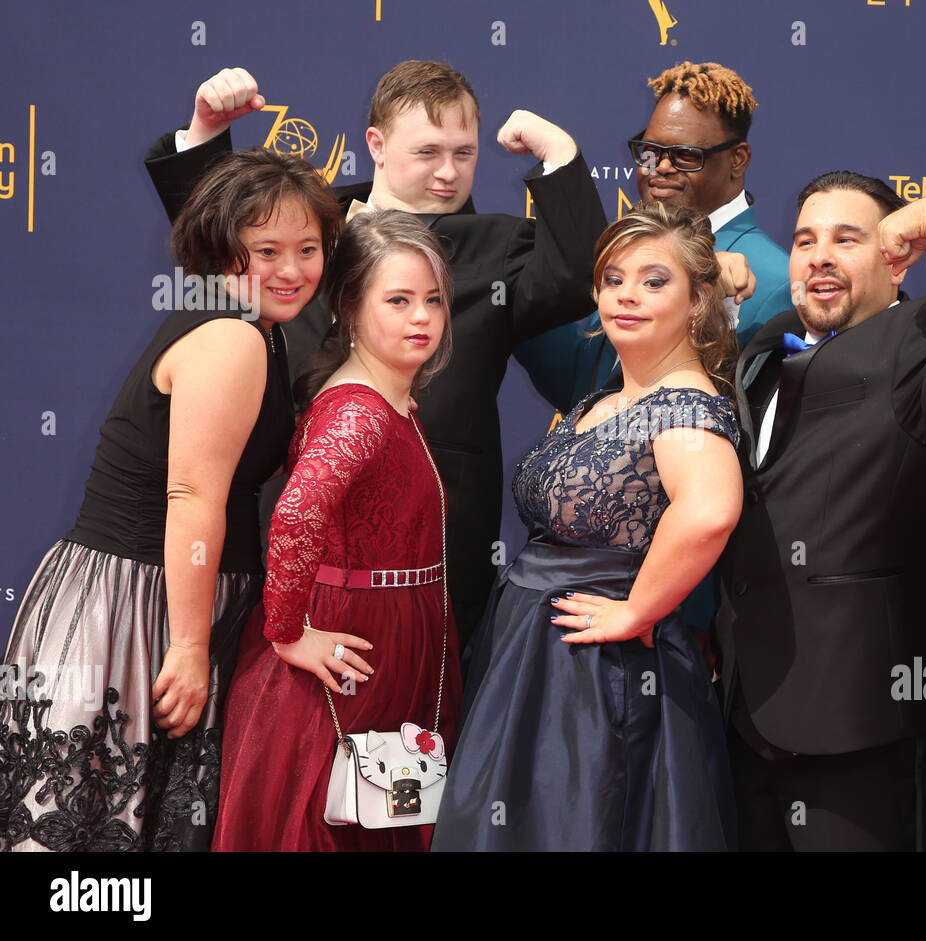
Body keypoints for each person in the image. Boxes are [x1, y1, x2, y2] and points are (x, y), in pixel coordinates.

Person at [144, 62, 608, 637]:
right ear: (377, 145)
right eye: (428, 152)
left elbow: (579, 277)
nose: (448, 172)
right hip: (285, 513)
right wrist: (206, 130)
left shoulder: (502, 246)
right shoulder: (309, 224)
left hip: (431, 534)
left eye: (464, 154)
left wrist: (559, 153)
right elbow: (213, 237)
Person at [0, 149, 340, 851]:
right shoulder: (232, 338)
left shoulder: (256, 324)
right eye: (267, 251)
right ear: (221, 248)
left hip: (149, 593)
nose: (291, 269)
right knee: (94, 835)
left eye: (308, 249)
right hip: (140, 607)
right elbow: (190, 496)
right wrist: (187, 647)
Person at [714, 175, 926, 852]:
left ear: (897, 259)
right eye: (805, 240)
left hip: (860, 711)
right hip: (743, 709)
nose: (819, 256)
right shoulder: (766, 345)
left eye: (846, 239)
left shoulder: (922, 342)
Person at [431, 202, 743, 851]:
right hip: (534, 657)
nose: (626, 295)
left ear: (697, 299)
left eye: (654, 281)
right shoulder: (609, 397)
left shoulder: (685, 405)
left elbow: (710, 511)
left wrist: (636, 610)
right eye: (612, 279)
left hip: (600, 674)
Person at [212, 211, 460, 851]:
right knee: (333, 822)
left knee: (378, 815)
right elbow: (296, 515)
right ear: (350, 307)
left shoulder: (391, 400)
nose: (422, 317)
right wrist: (287, 631)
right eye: (398, 300)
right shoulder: (359, 413)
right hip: (354, 642)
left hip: (391, 635)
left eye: (434, 299)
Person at [515, 61, 790, 414]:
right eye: (650, 152)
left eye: (686, 155)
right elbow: (583, 385)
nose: (660, 167)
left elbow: (752, 423)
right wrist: (512, 296)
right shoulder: (629, 256)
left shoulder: (776, 282)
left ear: (737, 160)